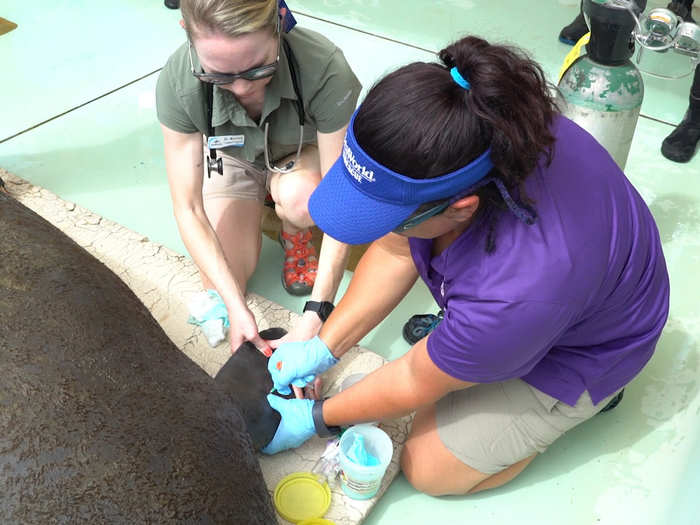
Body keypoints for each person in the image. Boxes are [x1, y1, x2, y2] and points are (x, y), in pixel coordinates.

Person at [260, 36, 670, 497]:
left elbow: (416, 376)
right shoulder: (483, 121)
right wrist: (322, 347)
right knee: (444, 355)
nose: (385, 231)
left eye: (394, 219)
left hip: (590, 345)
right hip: (558, 290)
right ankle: (480, 350)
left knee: (429, 467)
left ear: (462, 206)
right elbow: (398, 249)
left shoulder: (520, 287)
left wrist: (317, 417)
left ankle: (587, 401)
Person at [156, 0, 361, 354]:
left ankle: (294, 230)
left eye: (256, 71)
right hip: (234, 157)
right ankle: (264, 202)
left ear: (280, 22)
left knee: (305, 201)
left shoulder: (324, 66)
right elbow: (187, 208)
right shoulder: (177, 81)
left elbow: (342, 200)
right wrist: (236, 308)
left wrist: (317, 313)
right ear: (187, 33)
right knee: (221, 286)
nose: (240, 89)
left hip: (297, 152)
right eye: (217, 76)